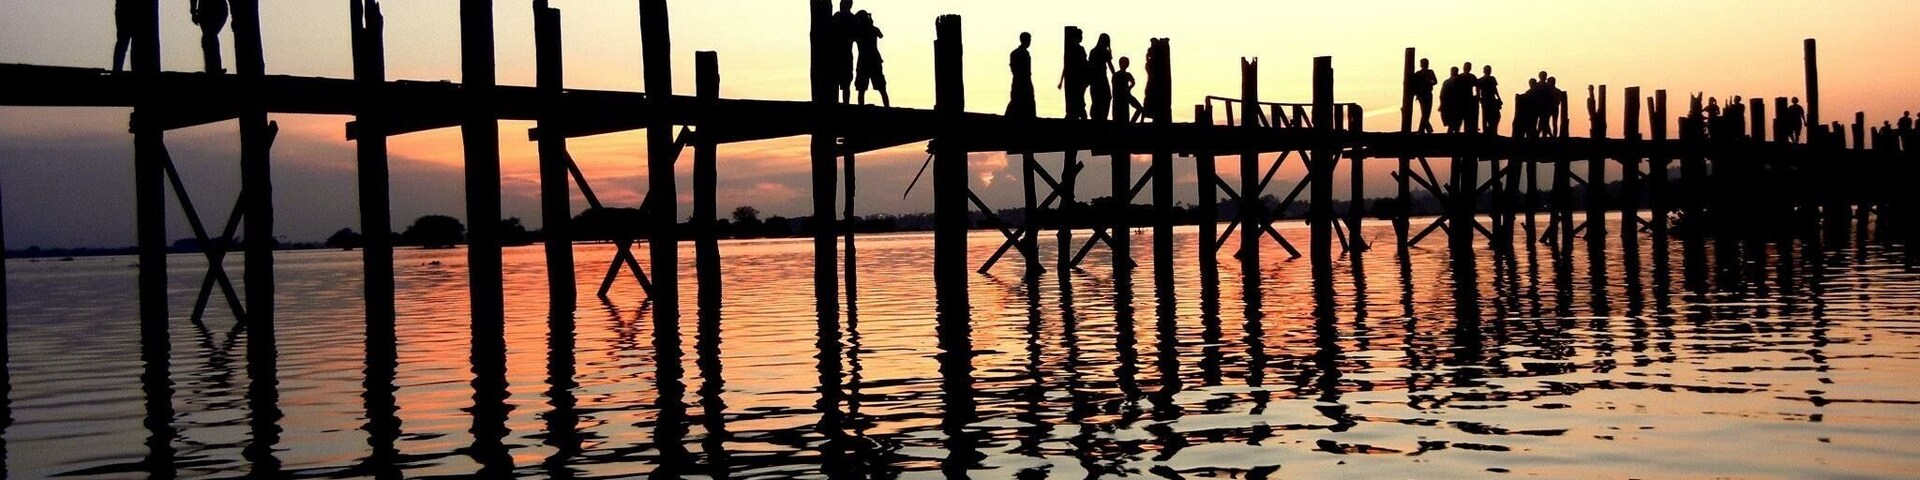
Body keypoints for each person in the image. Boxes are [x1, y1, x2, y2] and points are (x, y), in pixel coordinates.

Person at [853, 11, 888, 107]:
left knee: (861, 88)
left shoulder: (859, 31)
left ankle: (861, 107)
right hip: (874, 60)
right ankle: (887, 107)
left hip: (864, 61)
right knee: (881, 88)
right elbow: (880, 35)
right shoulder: (872, 29)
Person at [191, 0, 230, 74]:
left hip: (208, 8)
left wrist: (193, 11)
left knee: (209, 36)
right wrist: (193, 11)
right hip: (209, 8)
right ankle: (213, 68)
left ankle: (213, 68)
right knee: (209, 36)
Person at [1058, 27, 1088, 120]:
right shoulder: (1079, 50)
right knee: (1079, 103)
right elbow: (1084, 64)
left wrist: (1061, 81)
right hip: (1078, 80)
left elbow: (1066, 67)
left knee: (1077, 103)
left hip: (1075, 81)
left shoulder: (1070, 51)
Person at [1006, 32, 1035, 119]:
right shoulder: (1025, 53)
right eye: (1029, 40)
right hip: (1024, 81)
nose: (1030, 42)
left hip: (1016, 81)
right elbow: (1026, 70)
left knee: (1015, 101)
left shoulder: (1014, 53)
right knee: (1027, 102)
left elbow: (1012, 68)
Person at [833, 0, 857, 103]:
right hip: (845, 53)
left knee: (837, 81)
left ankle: (839, 104)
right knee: (845, 83)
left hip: (836, 53)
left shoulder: (837, 17)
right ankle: (845, 104)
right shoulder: (853, 18)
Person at [1087, 34, 1114, 122]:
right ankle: (1102, 116)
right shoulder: (1105, 52)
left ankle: (1095, 116)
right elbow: (1110, 65)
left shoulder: (1093, 51)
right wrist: (1114, 74)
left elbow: (1090, 65)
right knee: (1106, 97)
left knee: (1096, 98)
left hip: (1094, 78)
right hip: (1101, 77)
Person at [1112, 56, 1142, 124]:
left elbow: (1133, 82)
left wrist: (1129, 88)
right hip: (1122, 97)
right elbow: (1133, 82)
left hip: (1124, 96)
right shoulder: (1119, 75)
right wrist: (1128, 88)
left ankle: (1131, 123)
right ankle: (1131, 123)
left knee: (1139, 108)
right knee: (1122, 116)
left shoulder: (1118, 75)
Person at [1411, 58, 1438, 133]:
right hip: (1424, 95)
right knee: (1426, 112)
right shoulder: (1422, 73)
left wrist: (1428, 83)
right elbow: (1435, 81)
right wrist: (1428, 83)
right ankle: (1422, 129)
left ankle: (1425, 129)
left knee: (1425, 112)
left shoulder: (1422, 73)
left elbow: (1435, 81)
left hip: (1424, 95)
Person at [112, 0, 136, 72]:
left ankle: (117, 69)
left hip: (122, 10)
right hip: (130, 11)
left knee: (122, 43)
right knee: (124, 43)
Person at [1478, 65, 1500, 135]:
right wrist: (1480, 99)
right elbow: (1478, 90)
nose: (1489, 71)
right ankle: (1486, 131)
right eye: (1487, 70)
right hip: (1485, 99)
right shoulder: (1481, 80)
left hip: (1491, 99)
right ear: (1484, 71)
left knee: (1493, 116)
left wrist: (1499, 97)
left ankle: (1492, 130)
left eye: (1489, 70)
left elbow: (1495, 89)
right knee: (1485, 116)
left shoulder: (1492, 79)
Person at [1458, 62, 1479, 134]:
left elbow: (1477, 87)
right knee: (1464, 116)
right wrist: (1477, 95)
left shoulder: (1462, 76)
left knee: (1465, 116)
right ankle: (1462, 130)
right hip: (1464, 99)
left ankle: (1462, 130)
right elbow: (1477, 87)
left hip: (1465, 99)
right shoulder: (1469, 76)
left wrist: (1477, 95)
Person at [1439, 66, 1462, 133]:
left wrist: (1442, 104)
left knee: (1451, 123)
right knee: (1456, 122)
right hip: (1456, 104)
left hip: (1449, 104)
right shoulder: (1459, 81)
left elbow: (1442, 95)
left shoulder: (1447, 82)